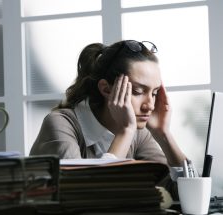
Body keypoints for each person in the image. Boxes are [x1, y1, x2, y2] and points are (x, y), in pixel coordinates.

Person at [30, 40, 188, 197]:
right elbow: (82, 196)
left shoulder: (139, 134)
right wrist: (125, 131)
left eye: (153, 93)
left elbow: (185, 195)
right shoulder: (61, 124)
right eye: (138, 91)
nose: (150, 105)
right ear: (106, 89)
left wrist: (164, 135)